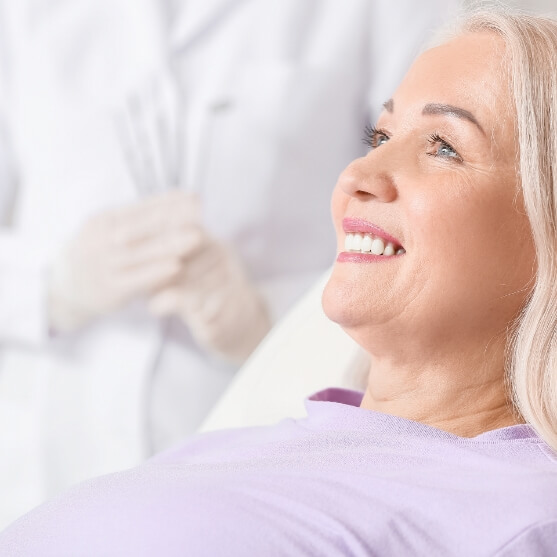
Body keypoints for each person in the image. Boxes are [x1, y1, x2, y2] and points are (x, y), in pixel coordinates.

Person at [2, 7, 557, 556]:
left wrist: (256, 317)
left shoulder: (513, 517)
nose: (355, 174)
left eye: (443, 147)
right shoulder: (229, 453)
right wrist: (49, 288)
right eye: (379, 134)